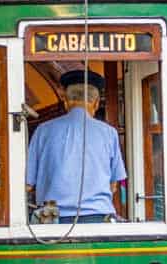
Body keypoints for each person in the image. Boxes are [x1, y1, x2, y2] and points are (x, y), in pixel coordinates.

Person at [26, 70, 127, 224]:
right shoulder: (109, 133)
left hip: (52, 219)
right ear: (96, 102)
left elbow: (28, 183)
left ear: (65, 101)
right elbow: (113, 185)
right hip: (99, 217)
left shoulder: (43, 131)